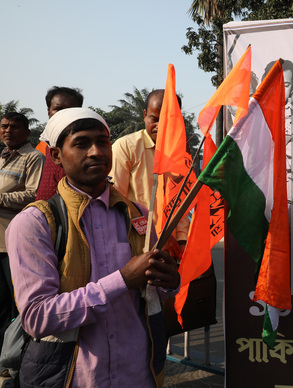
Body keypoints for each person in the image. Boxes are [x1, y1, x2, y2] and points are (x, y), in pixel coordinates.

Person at [6, 107, 179, 387]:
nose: (97, 152)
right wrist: (121, 280)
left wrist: (169, 282)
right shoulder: (35, 223)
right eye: (82, 143)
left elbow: (153, 296)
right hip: (72, 376)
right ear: (57, 156)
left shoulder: (141, 216)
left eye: (102, 141)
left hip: (139, 374)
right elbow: (37, 317)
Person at [110, 89, 189, 251]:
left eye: (168, 120)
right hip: (135, 244)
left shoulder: (181, 154)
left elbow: (181, 201)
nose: (160, 127)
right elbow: (116, 202)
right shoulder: (126, 147)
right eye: (154, 119)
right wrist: (153, 236)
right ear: (145, 115)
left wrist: (182, 240)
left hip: (171, 248)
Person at [0, 112, 45, 353]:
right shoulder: (1, 156)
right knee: (1, 305)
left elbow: (33, 195)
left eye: (15, 127)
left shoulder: (33, 157)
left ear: (27, 132)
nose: (8, 131)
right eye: (4, 126)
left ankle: (20, 360)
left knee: (21, 305)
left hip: (14, 244)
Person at [36, 86, 84, 201]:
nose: (64, 114)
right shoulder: (44, 143)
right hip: (44, 210)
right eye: (58, 109)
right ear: (49, 112)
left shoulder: (86, 143)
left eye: (71, 110)